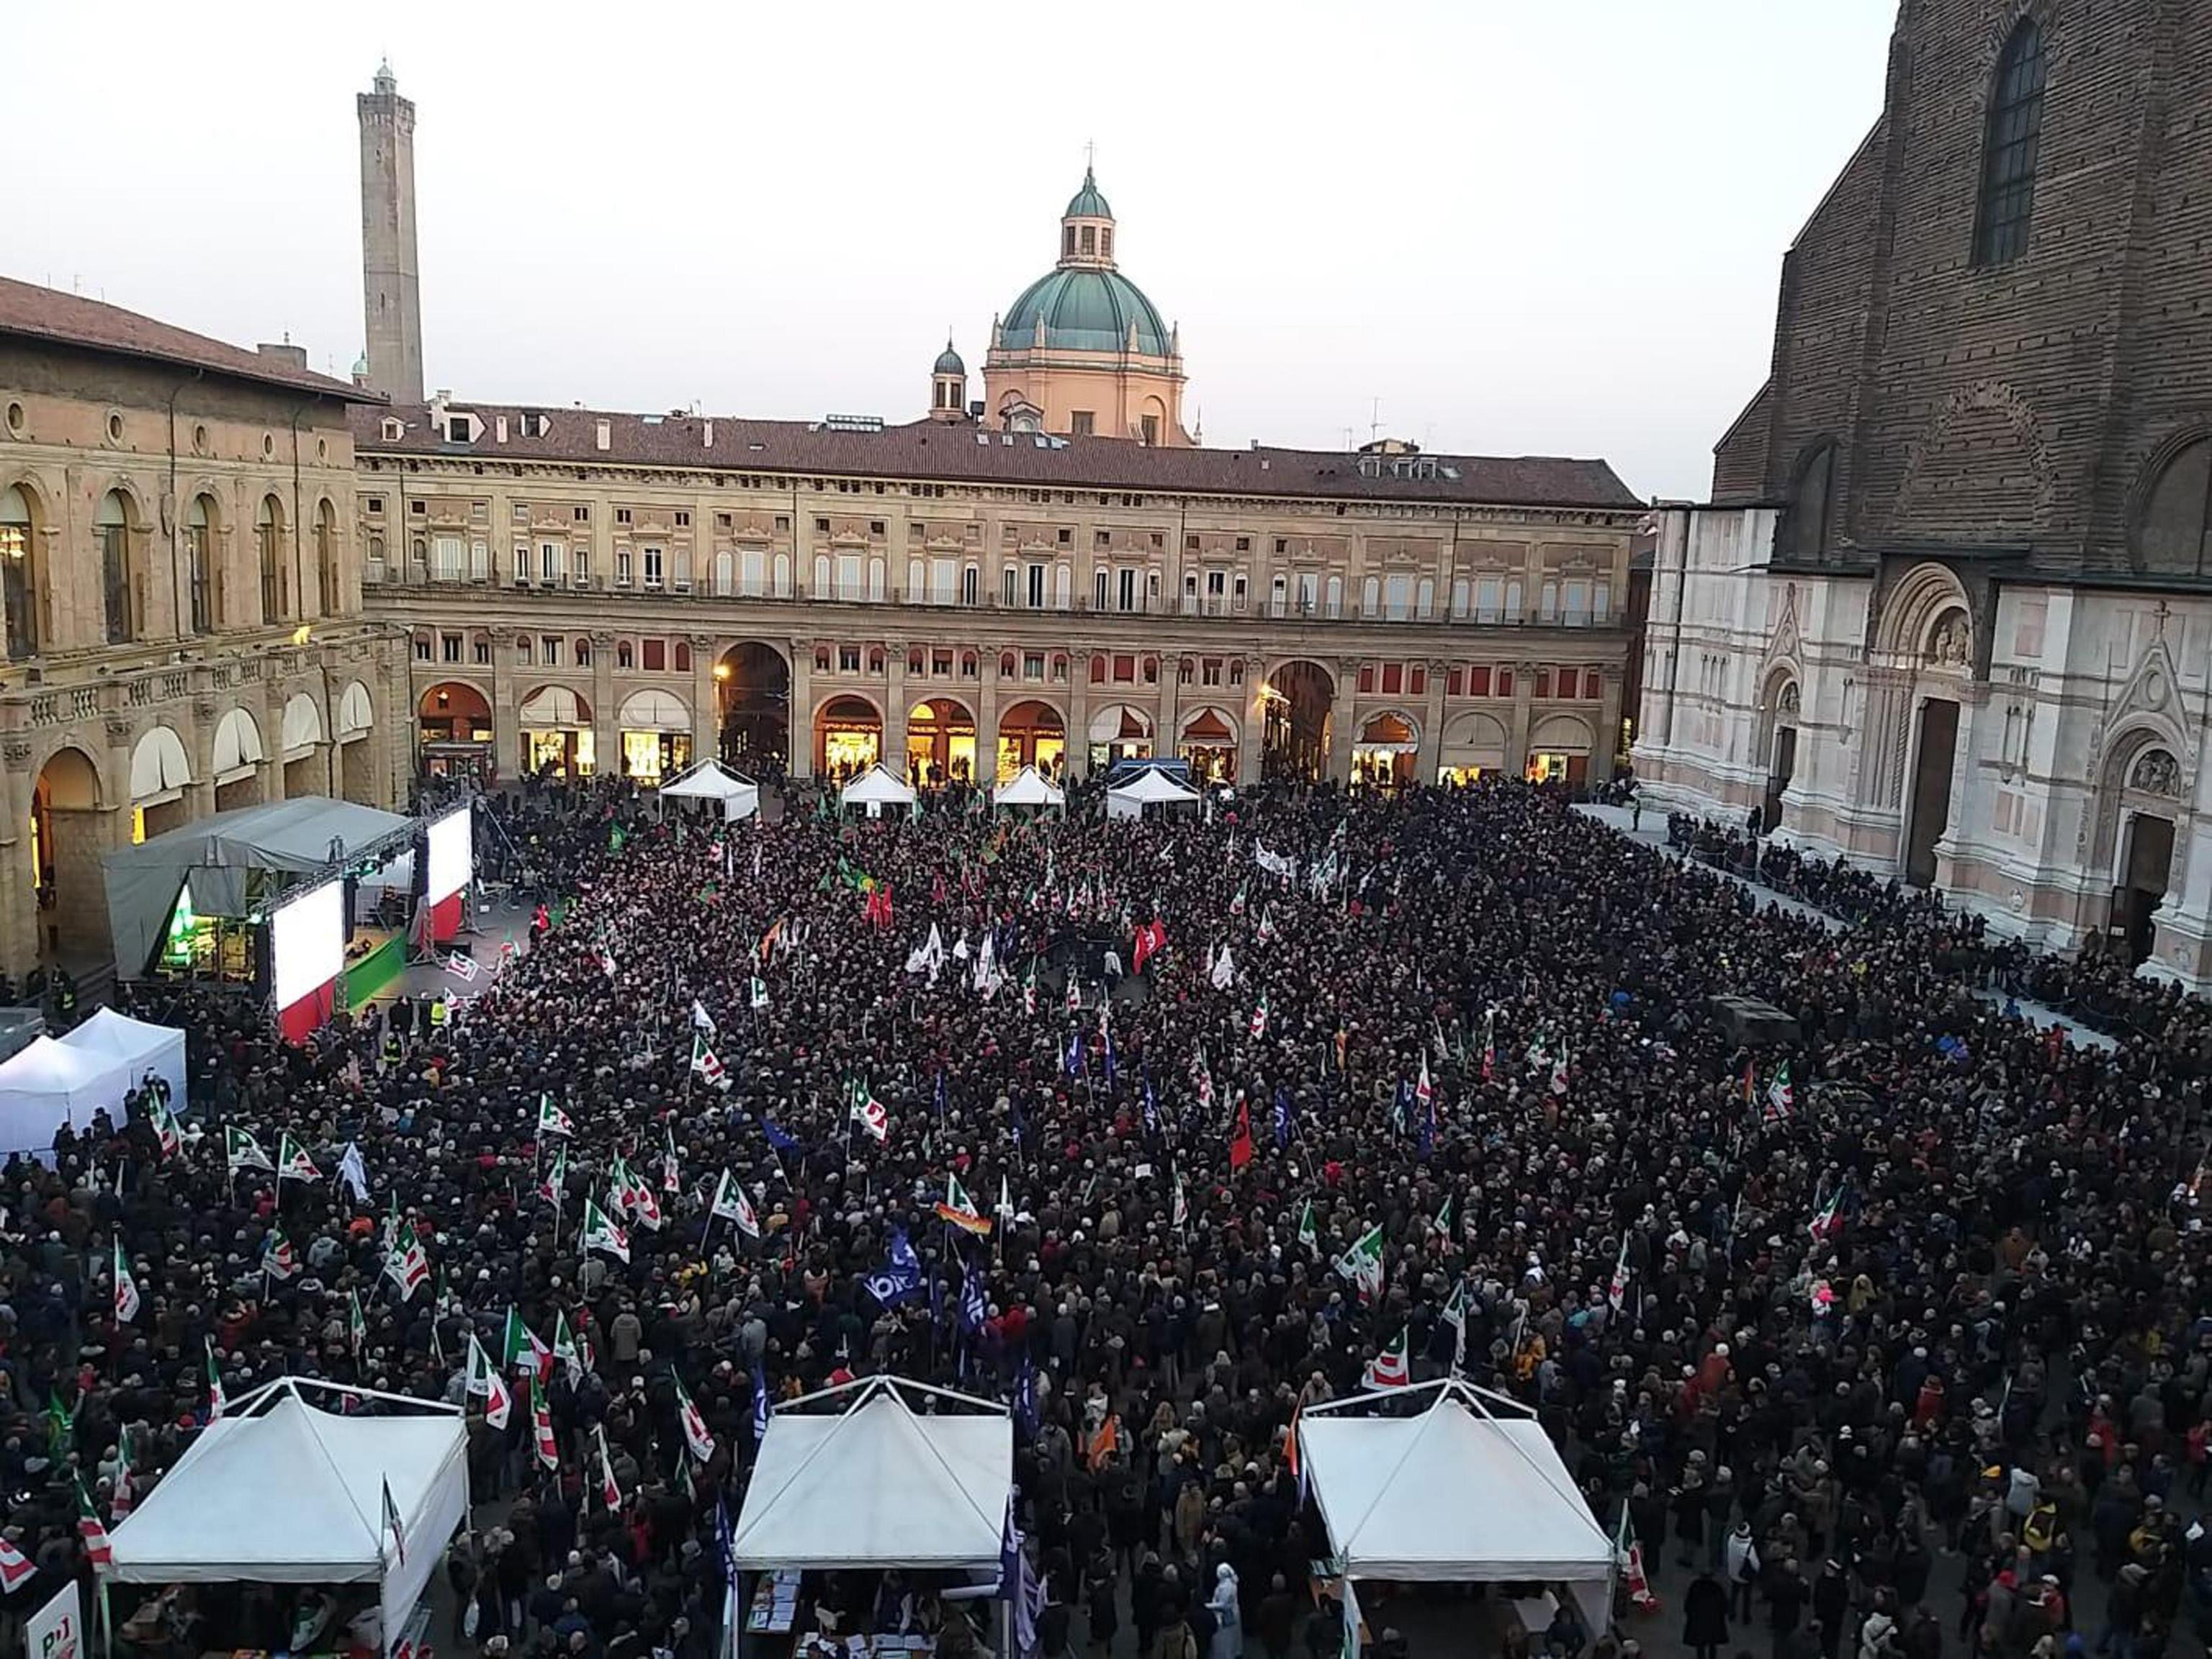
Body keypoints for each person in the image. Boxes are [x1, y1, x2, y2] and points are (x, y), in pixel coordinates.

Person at [1685, 1572, 1732, 1659]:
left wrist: (1691, 1615)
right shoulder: (1717, 1587)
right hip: (1714, 1622)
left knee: (1700, 1644)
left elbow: (1689, 1604)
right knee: (1712, 1644)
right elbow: (1724, 1605)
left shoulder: (1696, 1586)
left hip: (1699, 1621)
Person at [1208, 1564, 1243, 1659]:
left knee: (1225, 1641)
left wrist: (1208, 1606)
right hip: (1231, 1615)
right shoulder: (1228, 1583)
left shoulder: (1226, 1586)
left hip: (1225, 1617)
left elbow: (1223, 1604)